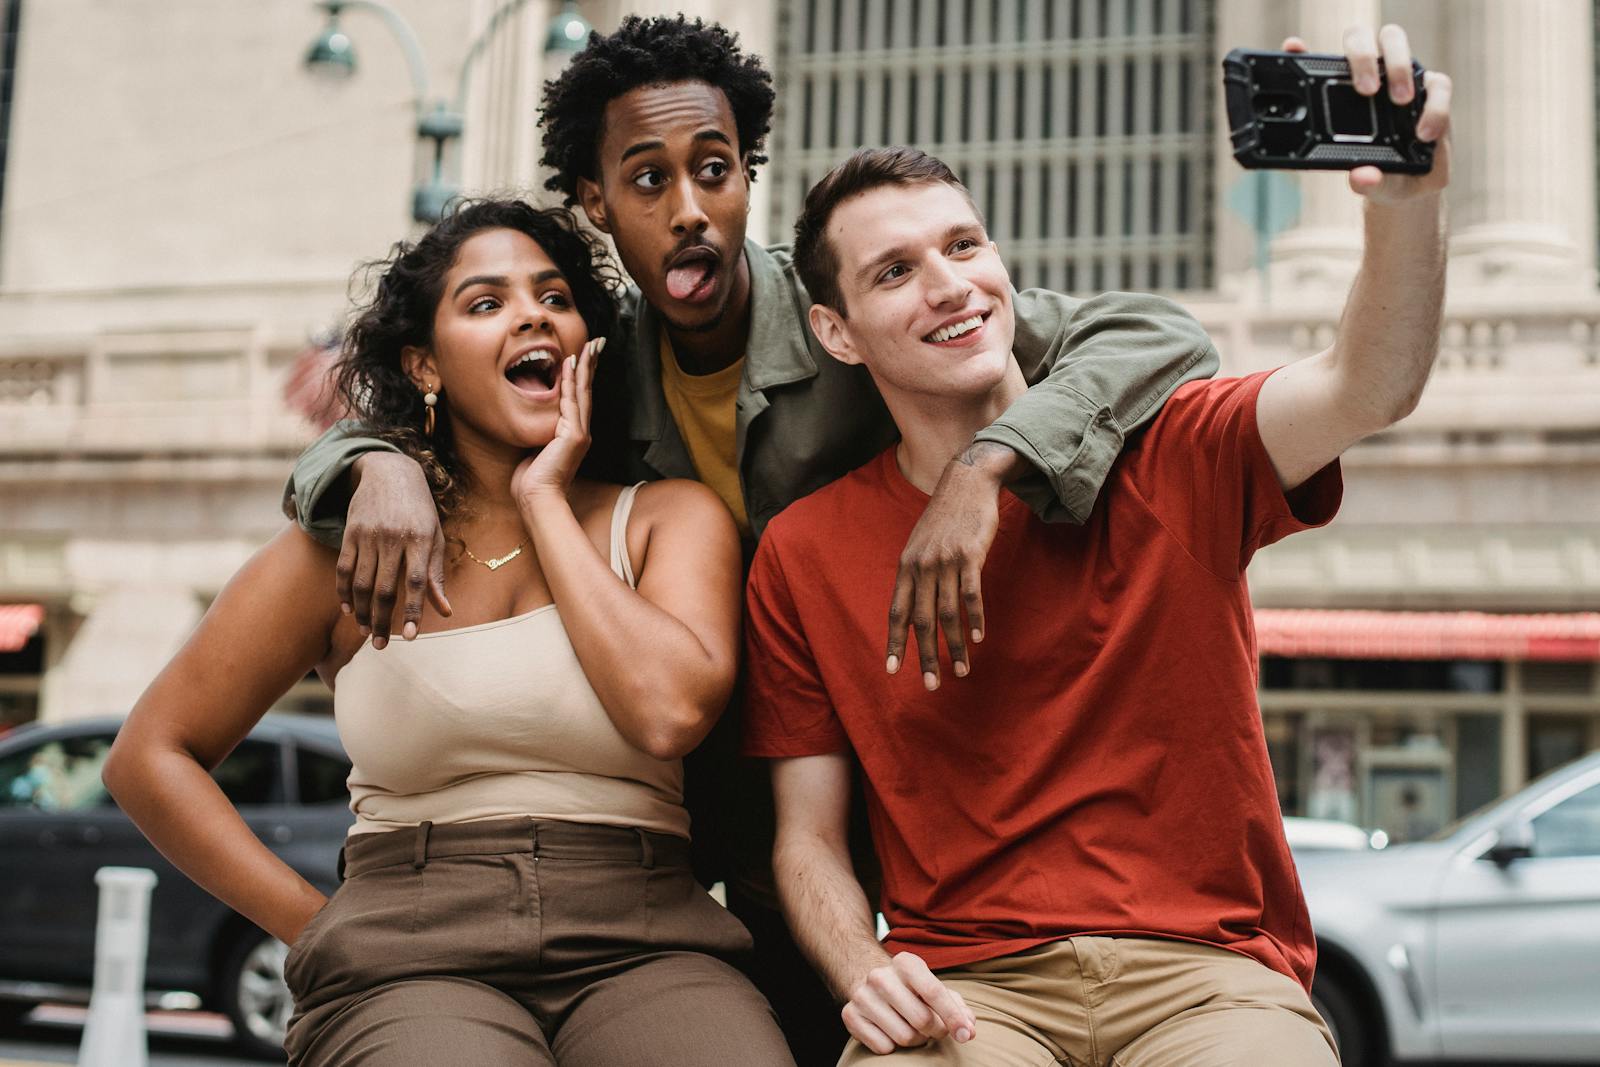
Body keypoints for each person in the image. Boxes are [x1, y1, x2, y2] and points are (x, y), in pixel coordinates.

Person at [283, 18, 1217, 1063]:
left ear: (745, 179)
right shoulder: (596, 364)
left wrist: (988, 461)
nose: (688, 210)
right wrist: (376, 465)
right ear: (595, 204)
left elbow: (1155, 335)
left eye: (714, 171)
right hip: (723, 833)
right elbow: (427, 405)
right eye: (646, 181)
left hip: (910, 795)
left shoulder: (848, 314)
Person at [744, 27, 1451, 1067]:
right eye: (895, 271)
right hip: (968, 987)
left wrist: (1406, 206)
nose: (949, 285)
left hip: (1206, 976)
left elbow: (1368, 383)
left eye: (964, 246)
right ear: (837, 332)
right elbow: (806, 836)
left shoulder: (1175, 444)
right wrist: (862, 969)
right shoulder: (803, 550)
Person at [104, 199, 795, 1067]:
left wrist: (544, 498)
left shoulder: (666, 519)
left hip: (646, 934)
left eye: (553, 296)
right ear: (425, 365)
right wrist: (314, 928)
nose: (532, 313)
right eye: (486, 302)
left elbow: (668, 713)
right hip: (407, 944)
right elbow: (150, 754)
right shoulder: (342, 551)